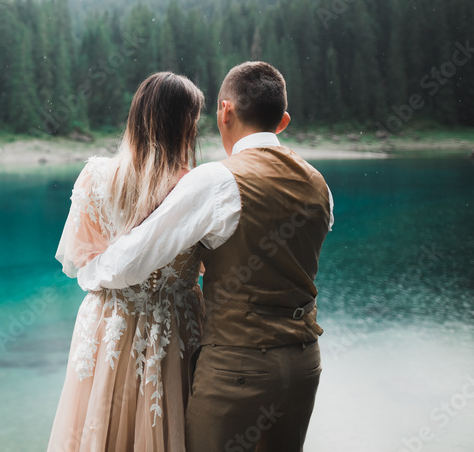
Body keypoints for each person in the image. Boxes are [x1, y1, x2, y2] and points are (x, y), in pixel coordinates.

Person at [77, 61, 334, 452]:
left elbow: (132, 261)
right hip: (303, 367)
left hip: (239, 368)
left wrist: (89, 272)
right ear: (282, 122)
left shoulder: (216, 181)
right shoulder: (318, 184)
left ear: (225, 111)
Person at [48, 72, 206, 452]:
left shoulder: (96, 176)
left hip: (108, 324)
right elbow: (210, 266)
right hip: (173, 326)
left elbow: (81, 259)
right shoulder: (194, 186)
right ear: (184, 124)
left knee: (99, 424)